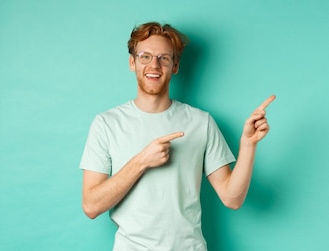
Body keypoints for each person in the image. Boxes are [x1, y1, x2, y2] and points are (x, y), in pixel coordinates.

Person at [79, 22, 275, 250]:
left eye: (164, 58)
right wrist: (142, 161)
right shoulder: (106, 124)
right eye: (145, 56)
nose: (154, 65)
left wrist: (248, 144)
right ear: (132, 63)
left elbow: (232, 199)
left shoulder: (201, 122)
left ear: (175, 66)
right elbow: (91, 206)